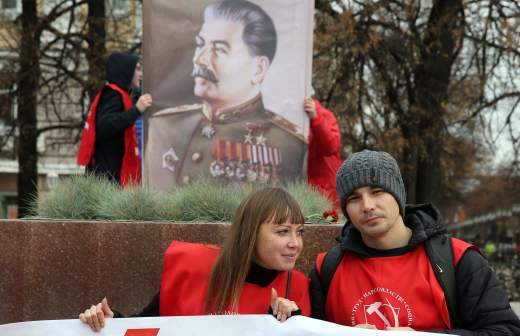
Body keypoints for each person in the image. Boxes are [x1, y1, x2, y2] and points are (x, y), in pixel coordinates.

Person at [309, 150, 520, 334]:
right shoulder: (327, 268)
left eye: (377, 191)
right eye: (354, 198)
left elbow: (505, 330)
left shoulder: (458, 259)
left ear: (398, 195)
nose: (367, 205)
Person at [79, 187, 310, 332]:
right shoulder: (191, 267)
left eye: (299, 232)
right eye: (282, 231)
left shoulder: (297, 289)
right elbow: (146, 326)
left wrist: (287, 324)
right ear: (249, 233)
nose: (295, 243)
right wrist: (113, 322)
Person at [144, 0, 306, 190]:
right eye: (200, 45)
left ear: (258, 69)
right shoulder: (164, 126)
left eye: (219, 49)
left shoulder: (288, 144)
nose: (200, 59)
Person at [77, 52, 153, 186]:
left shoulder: (118, 94)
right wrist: (136, 110)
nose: (141, 74)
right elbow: (105, 126)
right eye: (137, 68)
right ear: (125, 71)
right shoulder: (113, 95)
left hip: (109, 177)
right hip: (108, 180)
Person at [304, 97, 342, 208]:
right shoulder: (284, 119)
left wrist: (315, 119)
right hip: (302, 193)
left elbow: (331, 146)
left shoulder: (324, 115)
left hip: (327, 194)